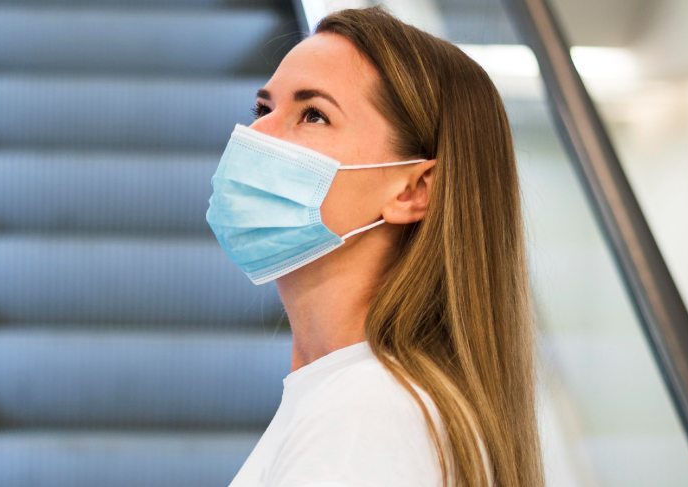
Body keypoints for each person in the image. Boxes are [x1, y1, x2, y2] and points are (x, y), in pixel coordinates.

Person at [207, 7, 543, 487]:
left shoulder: (366, 417)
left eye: (314, 115)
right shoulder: (355, 398)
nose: (254, 137)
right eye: (263, 109)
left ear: (413, 190)